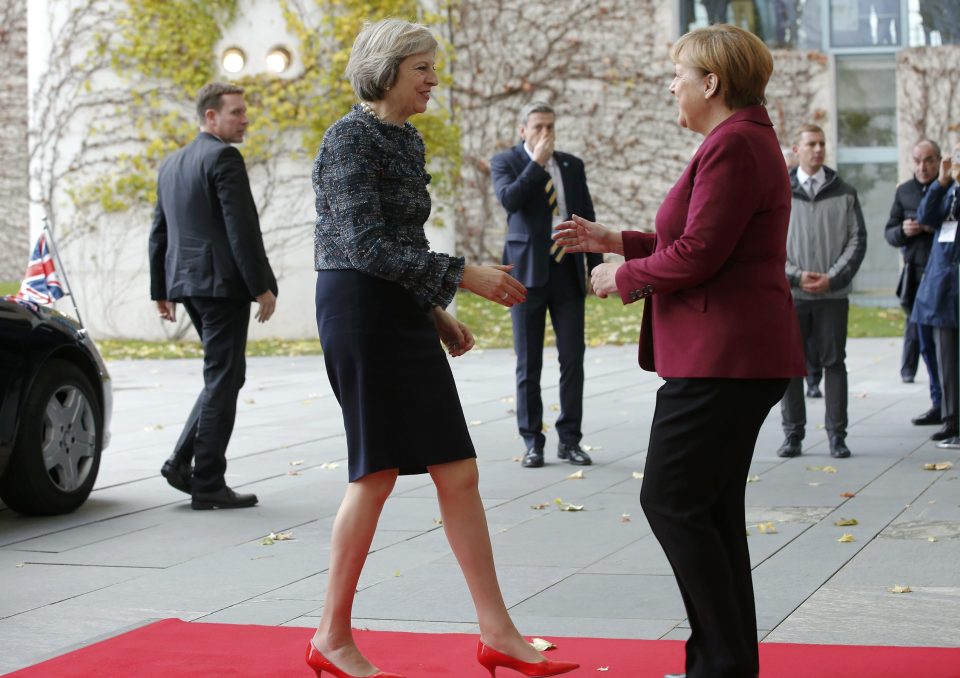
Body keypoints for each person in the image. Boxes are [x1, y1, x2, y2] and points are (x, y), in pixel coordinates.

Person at [308, 19, 577, 678]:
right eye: (423, 68)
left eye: (433, 67)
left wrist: (436, 314)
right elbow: (367, 248)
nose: (434, 79)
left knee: (458, 471)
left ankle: (498, 633)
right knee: (373, 474)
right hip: (358, 312)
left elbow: (402, 249)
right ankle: (329, 637)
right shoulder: (348, 138)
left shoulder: (406, 139)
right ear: (389, 69)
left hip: (399, 311)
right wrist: (464, 276)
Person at [554, 24, 804, 678]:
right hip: (732, 357)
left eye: (680, 73)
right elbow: (704, 237)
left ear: (712, 82)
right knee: (710, 512)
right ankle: (722, 665)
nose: (672, 84)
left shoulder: (735, 146)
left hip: (724, 359)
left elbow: (700, 253)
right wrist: (619, 238)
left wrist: (622, 277)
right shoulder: (741, 140)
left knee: (671, 501)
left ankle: (720, 667)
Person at [149, 82, 277, 510]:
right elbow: (241, 227)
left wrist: (161, 289)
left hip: (187, 284)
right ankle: (206, 481)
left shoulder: (171, 163)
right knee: (224, 376)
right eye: (237, 112)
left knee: (224, 374)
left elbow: (159, 233)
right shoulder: (224, 156)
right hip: (221, 287)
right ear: (210, 117)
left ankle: (181, 463)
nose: (245, 119)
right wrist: (262, 285)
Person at [490, 102, 602, 469]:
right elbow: (511, 201)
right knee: (529, 361)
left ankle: (570, 440)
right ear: (523, 130)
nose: (545, 134)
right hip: (527, 273)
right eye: (537, 126)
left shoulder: (571, 165)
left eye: (550, 126)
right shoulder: (506, 162)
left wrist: (594, 267)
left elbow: (586, 216)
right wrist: (536, 163)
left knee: (573, 358)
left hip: (567, 271)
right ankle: (532, 441)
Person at [776, 123, 866, 460]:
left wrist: (834, 277)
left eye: (822, 144)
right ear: (797, 150)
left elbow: (858, 239)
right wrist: (796, 276)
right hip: (792, 295)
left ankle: (837, 437)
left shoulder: (844, 191)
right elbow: (766, 242)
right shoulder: (778, 191)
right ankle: (793, 436)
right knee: (791, 367)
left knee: (834, 364)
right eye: (811, 144)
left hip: (832, 295)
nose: (818, 149)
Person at [884, 140, 942, 425]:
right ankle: (938, 402)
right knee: (926, 344)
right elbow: (889, 232)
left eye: (929, 160)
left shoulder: (948, 189)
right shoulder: (904, 192)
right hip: (916, 277)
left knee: (946, 345)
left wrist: (934, 225)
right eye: (918, 161)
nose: (923, 167)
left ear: (939, 161)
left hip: (945, 278)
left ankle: (950, 405)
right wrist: (903, 231)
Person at [912, 141, 960, 443]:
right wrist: (941, 182)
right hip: (944, 288)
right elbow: (925, 216)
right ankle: (952, 419)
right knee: (946, 358)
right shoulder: (949, 190)